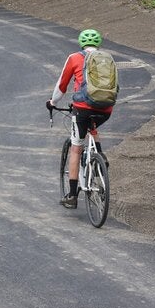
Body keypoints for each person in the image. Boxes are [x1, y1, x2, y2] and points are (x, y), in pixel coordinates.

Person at [46, 28, 112, 209]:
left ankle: (72, 195)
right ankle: (100, 156)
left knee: (76, 148)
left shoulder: (75, 58)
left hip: (82, 108)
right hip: (106, 108)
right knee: (93, 125)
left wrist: (52, 102)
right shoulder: (106, 59)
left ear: (81, 43)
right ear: (98, 44)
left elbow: (62, 86)